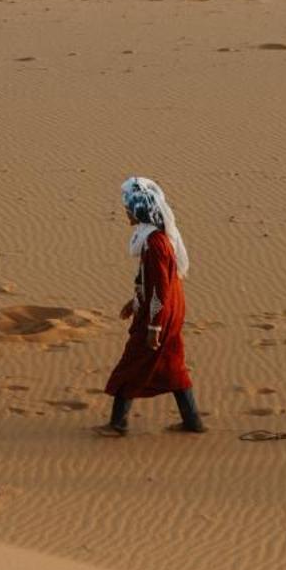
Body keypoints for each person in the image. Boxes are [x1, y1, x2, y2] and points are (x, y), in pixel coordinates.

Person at [101, 175, 204, 436]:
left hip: (162, 312)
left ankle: (117, 424)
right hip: (170, 307)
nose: (125, 213)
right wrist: (133, 303)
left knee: (132, 364)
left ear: (140, 211)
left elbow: (158, 288)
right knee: (172, 365)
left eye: (128, 209)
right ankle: (192, 422)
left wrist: (153, 327)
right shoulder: (151, 238)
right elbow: (149, 283)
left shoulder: (155, 243)